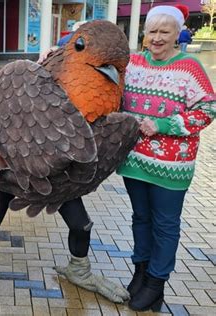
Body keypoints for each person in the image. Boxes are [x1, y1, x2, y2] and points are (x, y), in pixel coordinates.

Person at [117, 5, 215, 312]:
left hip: (172, 167)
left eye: (164, 31)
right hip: (135, 162)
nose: (157, 38)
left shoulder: (190, 67)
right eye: (152, 31)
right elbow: (90, 61)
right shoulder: (132, 63)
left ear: (178, 34)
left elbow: (208, 110)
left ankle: (156, 283)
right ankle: (141, 273)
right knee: (141, 219)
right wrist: (53, 52)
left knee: (165, 225)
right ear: (144, 33)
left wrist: (164, 125)